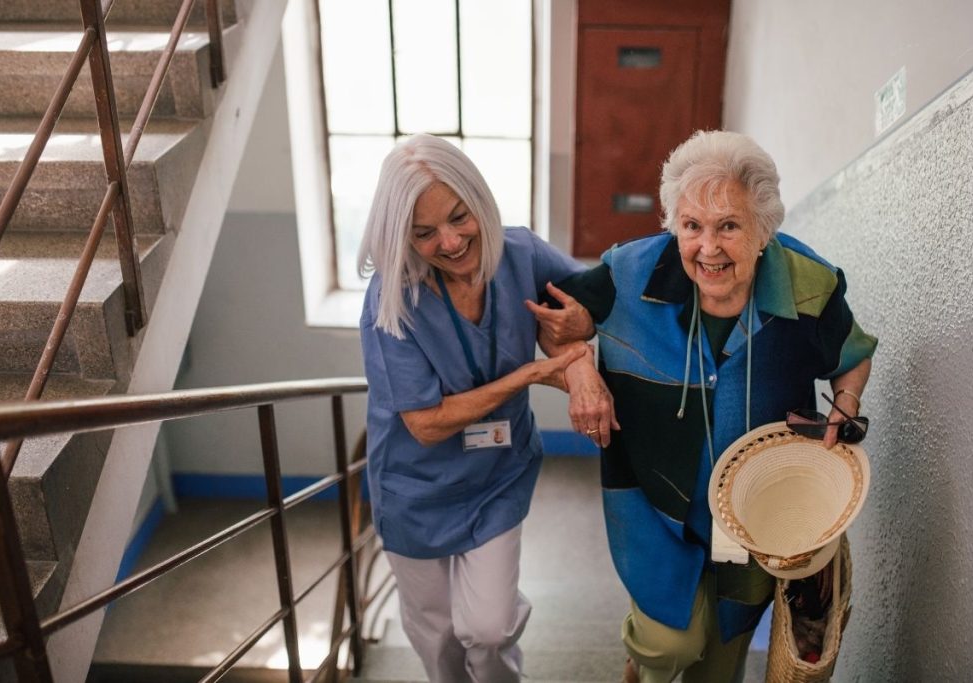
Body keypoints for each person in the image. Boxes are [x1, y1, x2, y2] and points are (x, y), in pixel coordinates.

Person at [531, 130, 877, 682]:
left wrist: (846, 401)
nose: (707, 248)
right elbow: (551, 323)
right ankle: (640, 666)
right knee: (668, 644)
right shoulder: (630, 272)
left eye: (729, 227)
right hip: (652, 495)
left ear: (764, 230)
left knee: (719, 662)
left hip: (758, 508)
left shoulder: (808, 286)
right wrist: (579, 370)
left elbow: (852, 355)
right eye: (691, 226)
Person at [357, 133, 614, 683]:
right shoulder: (391, 299)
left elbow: (584, 310)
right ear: (401, 235)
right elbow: (425, 425)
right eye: (424, 233)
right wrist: (532, 374)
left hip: (497, 476)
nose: (450, 243)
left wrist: (582, 340)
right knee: (439, 636)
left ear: (479, 200)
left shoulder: (520, 253)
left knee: (490, 627)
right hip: (415, 489)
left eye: (459, 217)